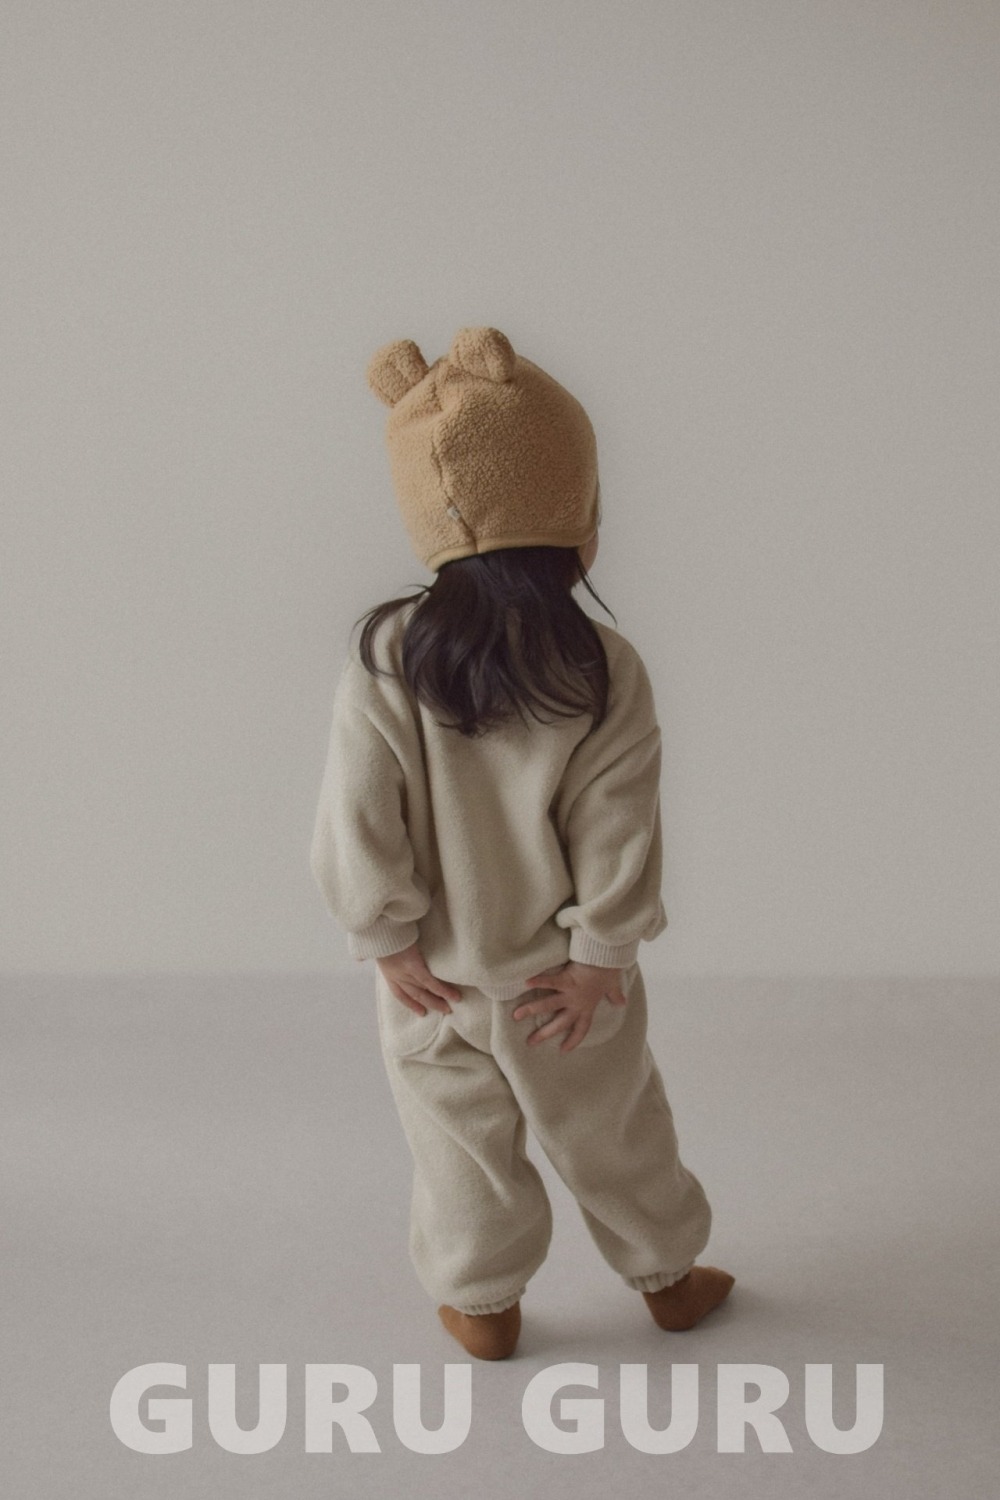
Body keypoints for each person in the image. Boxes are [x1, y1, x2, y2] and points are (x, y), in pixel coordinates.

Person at [310, 326, 734, 1360]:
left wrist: (385, 936)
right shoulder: (600, 666)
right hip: (563, 980)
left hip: (434, 980)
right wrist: (601, 954)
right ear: (570, 513)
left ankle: (483, 1305)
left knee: (457, 1148)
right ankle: (669, 1278)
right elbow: (619, 820)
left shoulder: (388, 657)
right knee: (614, 1128)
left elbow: (355, 810)